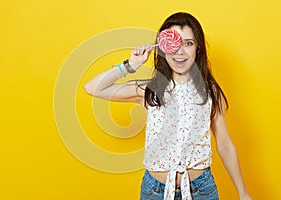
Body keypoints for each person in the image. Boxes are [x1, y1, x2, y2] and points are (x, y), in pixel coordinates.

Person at [84, 12, 252, 200]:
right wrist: (131, 65)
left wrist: (243, 193)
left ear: (198, 48)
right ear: (163, 48)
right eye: (174, 44)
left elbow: (225, 145)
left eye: (188, 43)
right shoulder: (148, 90)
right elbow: (92, 88)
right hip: (155, 191)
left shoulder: (210, 92)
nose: (180, 51)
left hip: (201, 190)